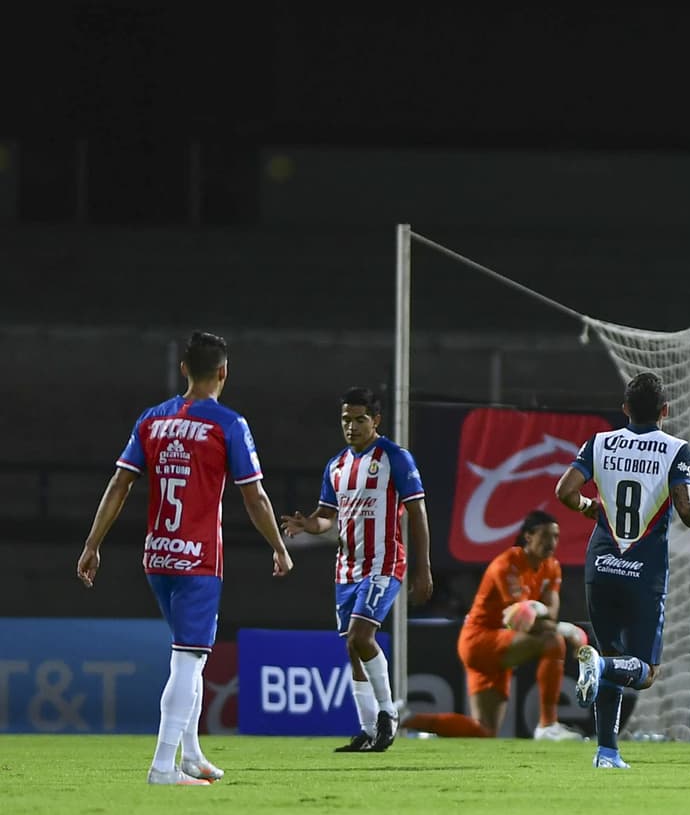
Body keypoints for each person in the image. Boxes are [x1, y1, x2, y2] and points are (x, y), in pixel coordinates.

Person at [75, 331, 294, 786]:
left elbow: (120, 485)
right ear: (223, 373)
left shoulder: (152, 420)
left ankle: (192, 755)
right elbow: (253, 496)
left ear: (183, 370)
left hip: (157, 555)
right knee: (187, 661)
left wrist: (92, 544)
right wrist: (278, 545)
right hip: (197, 559)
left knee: (190, 654)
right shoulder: (228, 424)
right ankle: (161, 767)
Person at [554, 371, 690, 768]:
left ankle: (607, 751)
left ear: (625, 409)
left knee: (610, 651)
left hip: (601, 563)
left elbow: (564, 491)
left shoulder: (599, 443)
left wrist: (589, 508)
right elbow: (686, 507)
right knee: (644, 671)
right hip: (642, 570)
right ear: (665, 411)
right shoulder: (676, 449)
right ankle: (602, 670)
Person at [280, 387, 433, 753]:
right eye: (346, 420)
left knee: (359, 637)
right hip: (346, 568)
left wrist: (422, 567)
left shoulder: (396, 458)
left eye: (359, 419)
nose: (351, 426)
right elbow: (326, 520)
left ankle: (387, 715)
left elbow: (417, 512)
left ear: (376, 420)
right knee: (352, 648)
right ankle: (367, 731)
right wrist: (307, 525)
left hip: (384, 564)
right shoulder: (336, 465)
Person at [455, 509, 585, 740]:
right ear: (528, 536)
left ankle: (410, 721)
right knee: (553, 641)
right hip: (480, 639)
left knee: (484, 731)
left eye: (556, 537)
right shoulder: (507, 564)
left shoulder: (552, 567)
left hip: (502, 640)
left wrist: (539, 611)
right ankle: (547, 725)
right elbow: (519, 621)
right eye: (545, 536)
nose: (552, 543)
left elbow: (548, 615)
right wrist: (566, 629)